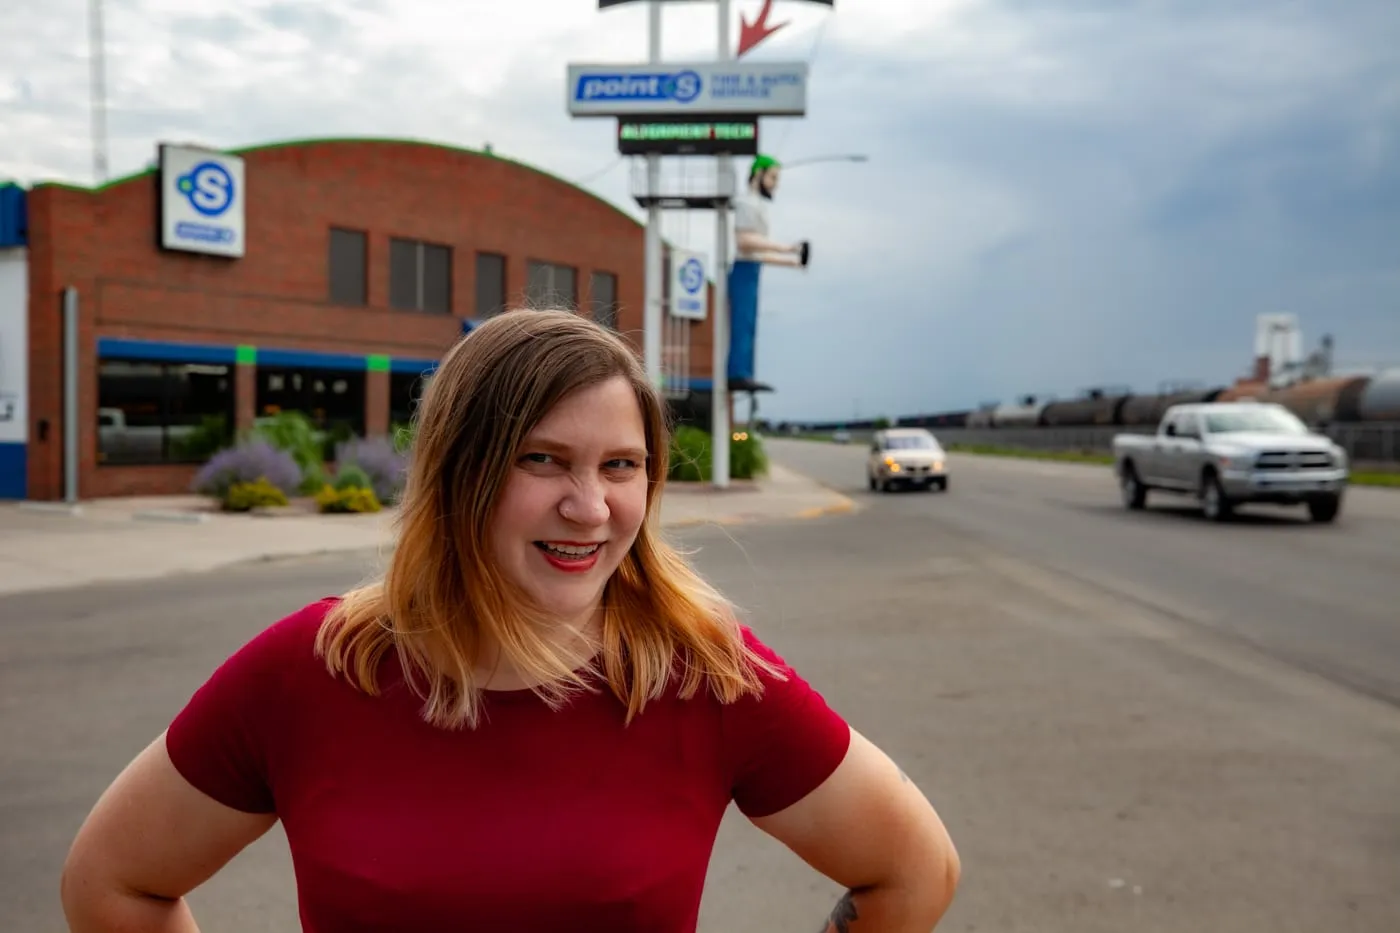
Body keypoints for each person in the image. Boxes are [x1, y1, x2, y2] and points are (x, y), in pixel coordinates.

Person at [59, 309, 960, 932]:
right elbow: (113, 883)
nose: (591, 506)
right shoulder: (313, 667)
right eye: (544, 459)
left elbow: (915, 869)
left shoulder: (703, 672)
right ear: (460, 471)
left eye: (621, 465)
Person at [728, 153, 810, 389]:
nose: (776, 183)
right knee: (741, 323)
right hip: (743, 270)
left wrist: (792, 261)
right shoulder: (745, 203)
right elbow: (745, 242)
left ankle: (745, 371)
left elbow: (758, 252)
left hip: (753, 269)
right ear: (758, 175)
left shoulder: (758, 206)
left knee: (750, 325)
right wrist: (788, 248)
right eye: (773, 177)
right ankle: (737, 372)